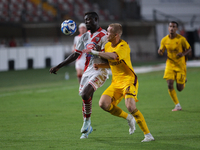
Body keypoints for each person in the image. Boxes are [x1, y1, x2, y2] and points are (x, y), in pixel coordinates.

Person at [83, 23, 155, 142]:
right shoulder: (107, 46)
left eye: (109, 31)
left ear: (116, 35)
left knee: (130, 106)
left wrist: (95, 53)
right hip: (116, 82)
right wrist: (100, 64)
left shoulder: (123, 46)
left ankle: (148, 135)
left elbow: (113, 57)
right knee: (103, 104)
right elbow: (112, 63)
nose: (107, 33)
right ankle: (128, 118)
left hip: (128, 80)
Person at [49, 12, 109, 139]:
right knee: (86, 98)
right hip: (87, 71)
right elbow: (76, 54)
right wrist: (59, 66)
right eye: (85, 20)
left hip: (100, 70)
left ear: (96, 19)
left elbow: (108, 55)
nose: (87, 22)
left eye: (89, 20)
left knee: (85, 94)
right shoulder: (84, 37)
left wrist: (103, 63)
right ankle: (87, 129)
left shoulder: (104, 35)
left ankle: (86, 122)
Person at [158, 21, 191, 111]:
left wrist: (183, 54)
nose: (172, 28)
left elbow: (189, 48)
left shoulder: (181, 39)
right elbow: (161, 50)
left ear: (176, 29)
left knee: (180, 88)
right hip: (170, 64)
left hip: (180, 65)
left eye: (174, 27)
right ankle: (177, 105)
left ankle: (183, 80)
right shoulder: (164, 40)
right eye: (170, 26)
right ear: (168, 28)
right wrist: (160, 52)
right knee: (169, 84)